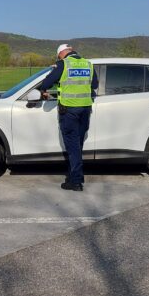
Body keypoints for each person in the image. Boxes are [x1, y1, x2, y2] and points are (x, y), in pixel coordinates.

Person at [39, 44, 98, 192]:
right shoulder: (88, 64)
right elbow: (95, 84)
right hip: (85, 110)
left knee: (72, 147)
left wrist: (45, 88)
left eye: (58, 55)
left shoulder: (63, 64)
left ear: (61, 53)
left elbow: (46, 83)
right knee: (77, 145)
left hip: (69, 110)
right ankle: (74, 176)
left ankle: (76, 181)